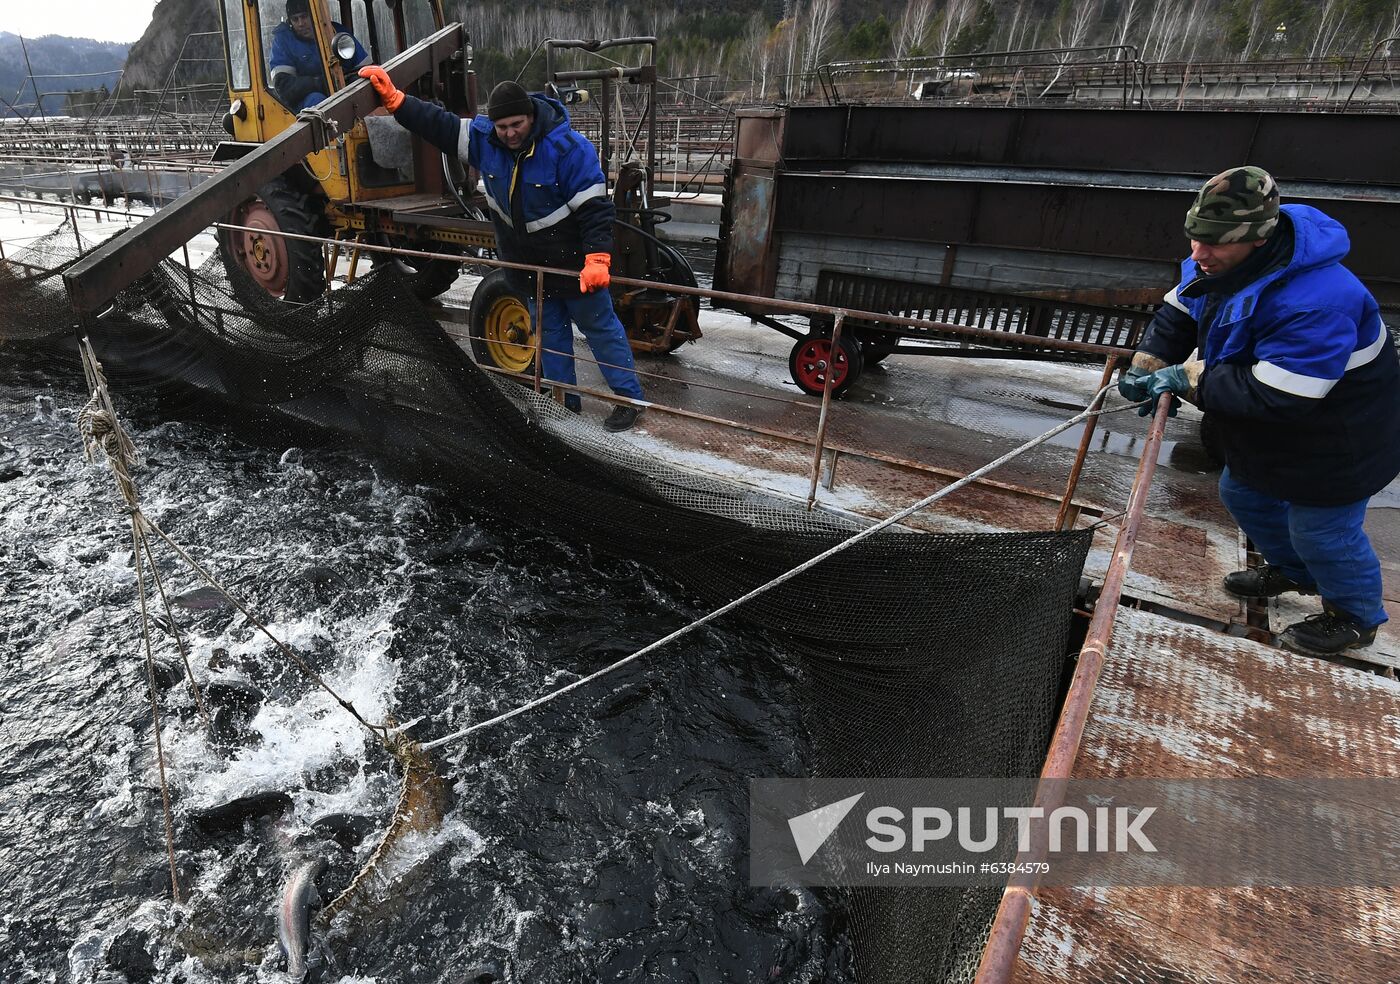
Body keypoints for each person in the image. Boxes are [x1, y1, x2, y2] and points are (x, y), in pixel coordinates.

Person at [1120, 165, 1400, 657]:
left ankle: (1355, 615)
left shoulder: (1320, 301)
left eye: (1215, 243)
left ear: (1259, 237)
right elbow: (1180, 311)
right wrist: (1149, 362)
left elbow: (1281, 395)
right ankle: (1294, 571)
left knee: (1322, 529)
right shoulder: (1217, 262)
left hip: (1342, 433)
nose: (1198, 254)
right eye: (1194, 238)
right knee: (1242, 493)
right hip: (1276, 425)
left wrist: (1189, 377)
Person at [357, 68, 647, 432]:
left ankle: (629, 401)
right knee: (550, 335)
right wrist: (398, 102)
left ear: (531, 117)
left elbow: (594, 210)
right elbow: (440, 125)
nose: (510, 133)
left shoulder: (568, 149)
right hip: (527, 268)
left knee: (601, 329)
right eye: (502, 126)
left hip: (573, 267)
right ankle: (564, 404)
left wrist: (598, 258)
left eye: (517, 124)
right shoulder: (484, 141)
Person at [268, 0, 370, 112]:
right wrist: (321, 83)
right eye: (295, 19)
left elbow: (366, 69)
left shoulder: (336, 32)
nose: (301, 23)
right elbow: (284, 87)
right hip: (305, 104)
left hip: (342, 92)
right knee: (317, 101)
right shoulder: (283, 41)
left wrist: (349, 81)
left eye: (304, 16)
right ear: (290, 22)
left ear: (315, 14)